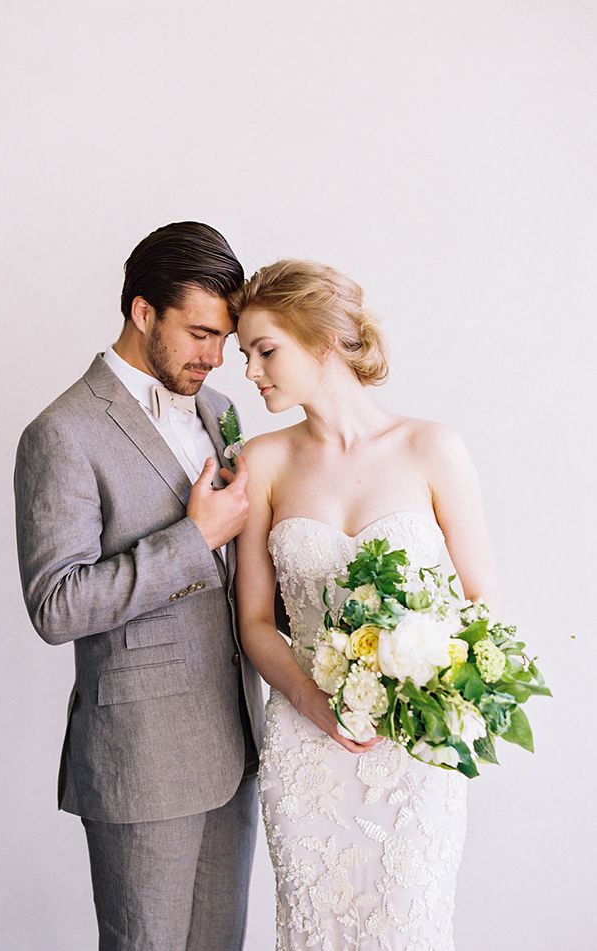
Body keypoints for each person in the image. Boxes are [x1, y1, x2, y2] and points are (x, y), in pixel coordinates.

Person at [231, 260, 500, 951]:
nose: (251, 371)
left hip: (413, 750)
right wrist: (312, 700)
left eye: (265, 350)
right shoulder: (261, 462)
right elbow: (254, 622)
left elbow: (481, 602)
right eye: (245, 354)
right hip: (307, 746)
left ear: (322, 341)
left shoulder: (432, 448)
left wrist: (431, 694)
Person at [14, 222, 264, 951]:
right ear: (143, 312)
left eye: (224, 339)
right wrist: (193, 539)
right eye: (200, 334)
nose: (214, 357)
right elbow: (56, 604)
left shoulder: (219, 412)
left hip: (237, 741)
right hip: (142, 758)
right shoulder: (61, 432)